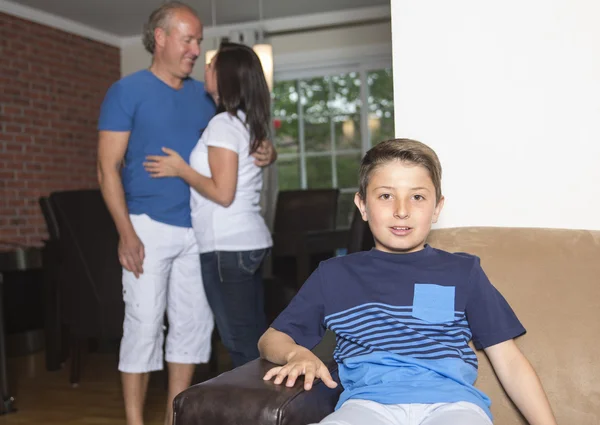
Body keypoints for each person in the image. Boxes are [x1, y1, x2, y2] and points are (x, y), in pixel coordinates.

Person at [258, 139, 557, 425]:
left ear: (437, 207)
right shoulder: (333, 275)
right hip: (367, 406)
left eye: (417, 197)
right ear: (362, 205)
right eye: (386, 196)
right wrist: (297, 353)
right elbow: (271, 339)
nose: (402, 210)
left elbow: (510, 362)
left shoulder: (463, 272)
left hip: (453, 406)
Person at [96, 2, 276, 425]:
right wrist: (125, 233)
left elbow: (239, 136)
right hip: (146, 228)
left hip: (201, 234)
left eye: (199, 40)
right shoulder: (127, 91)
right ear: (160, 38)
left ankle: (173, 421)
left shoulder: (205, 96)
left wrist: (266, 150)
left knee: (192, 333)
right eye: (189, 39)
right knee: (142, 328)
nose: (197, 49)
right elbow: (106, 168)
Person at [143, 42, 274, 368]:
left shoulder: (223, 125)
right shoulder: (243, 122)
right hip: (247, 243)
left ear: (226, 76)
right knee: (254, 338)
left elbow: (223, 193)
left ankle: (255, 413)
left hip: (227, 246)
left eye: (212, 65)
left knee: (240, 343)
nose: (206, 67)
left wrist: (181, 169)